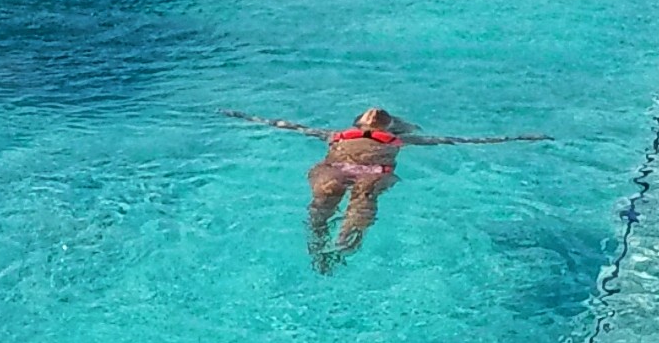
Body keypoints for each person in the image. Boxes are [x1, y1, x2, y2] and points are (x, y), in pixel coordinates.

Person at [222, 108, 550, 272]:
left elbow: (284, 124)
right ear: (389, 128)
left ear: (357, 126)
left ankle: (316, 245)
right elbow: (465, 141)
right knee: (362, 203)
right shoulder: (402, 139)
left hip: (335, 169)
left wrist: (243, 115)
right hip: (373, 172)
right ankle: (339, 253)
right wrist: (519, 137)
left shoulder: (335, 136)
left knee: (320, 207)